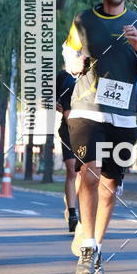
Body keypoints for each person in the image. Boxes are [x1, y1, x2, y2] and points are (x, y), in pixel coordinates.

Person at [63, 0, 137, 274]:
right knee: (88, 173)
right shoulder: (83, 20)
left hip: (123, 116)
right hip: (87, 110)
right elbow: (68, 57)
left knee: (110, 187)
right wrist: (77, 63)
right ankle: (88, 245)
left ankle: (96, 245)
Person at [56, 66, 77, 232]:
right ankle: (72, 214)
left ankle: (85, 212)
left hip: (92, 129)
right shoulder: (64, 77)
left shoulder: (97, 72)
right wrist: (58, 105)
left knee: (89, 174)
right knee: (73, 171)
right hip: (69, 130)